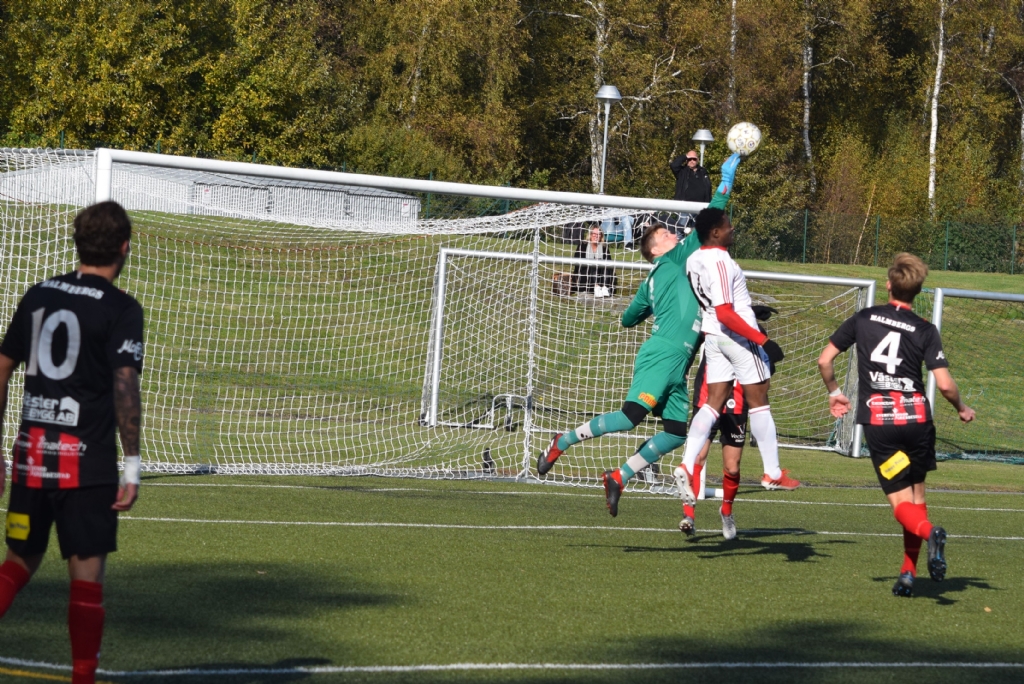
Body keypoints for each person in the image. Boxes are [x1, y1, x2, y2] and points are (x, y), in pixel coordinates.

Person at [537, 154, 741, 517]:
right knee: (631, 416)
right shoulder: (676, 259)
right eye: (665, 235)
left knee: (676, 433)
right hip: (663, 354)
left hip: (678, 363)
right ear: (656, 250)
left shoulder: (656, 278)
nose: (673, 234)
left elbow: (629, 318)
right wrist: (725, 183)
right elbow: (712, 216)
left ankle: (619, 476)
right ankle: (562, 441)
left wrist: (653, 305)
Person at [0, 201, 144, 683]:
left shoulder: (38, 294)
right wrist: (132, 466)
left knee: (17, 564)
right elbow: (125, 385)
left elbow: (1, 367)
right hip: (86, 466)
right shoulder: (122, 308)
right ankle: (83, 677)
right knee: (86, 580)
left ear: (78, 243)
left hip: (32, 457)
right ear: (124, 247)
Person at [817, 253, 974, 597]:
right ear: (917, 291)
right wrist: (961, 407)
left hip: (881, 424)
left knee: (901, 505)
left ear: (888, 285)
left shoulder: (863, 318)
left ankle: (930, 534)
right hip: (917, 423)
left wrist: (835, 393)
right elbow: (945, 385)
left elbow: (824, 360)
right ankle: (907, 574)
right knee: (917, 496)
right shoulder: (925, 329)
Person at [675, 185, 797, 536]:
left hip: (713, 337)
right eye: (728, 224)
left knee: (712, 404)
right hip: (736, 337)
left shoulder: (694, 259)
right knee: (760, 398)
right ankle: (773, 472)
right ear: (715, 232)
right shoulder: (721, 261)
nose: (732, 228)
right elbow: (727, 312)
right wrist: (764, 340)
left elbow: (718, 308)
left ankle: (687, 464)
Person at [673, 306, 797, 539]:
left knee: (732, 466)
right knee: (698, 457)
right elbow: (693, 340)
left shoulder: (756, 333)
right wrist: (682, 370)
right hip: (708, 399)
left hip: (737, 403)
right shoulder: (713, 327)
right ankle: (688, 515)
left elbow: (766, 368)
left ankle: (727, 512)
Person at [571, 224, 616, 297]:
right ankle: (596, 287)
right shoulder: (583, 245)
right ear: (590, 234)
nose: (596, 236)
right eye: (594, 234)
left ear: (601, 236)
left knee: (606, 267)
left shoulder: (604, 247)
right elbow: (577, 264)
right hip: (585, 275)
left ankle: (605, 288)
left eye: (599, 234)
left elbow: (609, 262)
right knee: (594, 264)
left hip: (600, 275)